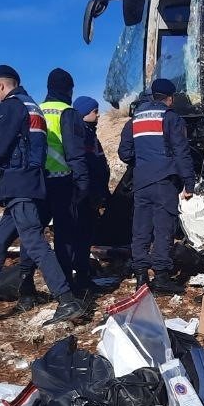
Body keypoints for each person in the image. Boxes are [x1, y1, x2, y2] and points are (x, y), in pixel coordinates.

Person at [0, 65, 84, 327]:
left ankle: (66, 300)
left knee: (34, 242)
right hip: (32, 182)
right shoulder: (32, 105)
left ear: (1, 85)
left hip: (19, 184)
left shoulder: (11, 106)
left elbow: (1, 144)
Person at [118, 78, 194, 295]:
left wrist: (142, 161)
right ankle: (161, 276)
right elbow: (181, 152)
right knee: (163, 229)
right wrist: (189, 183)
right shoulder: (170, 118)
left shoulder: (135, 120)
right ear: (169, 98)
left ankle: (141, 276)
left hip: (141, 181)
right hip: (164, 181)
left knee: (140, 229)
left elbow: (124, 152)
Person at [24, 68, 88, 297]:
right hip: (62, 182)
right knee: (64, 236)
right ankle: (65, 285)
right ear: (69, 90)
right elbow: (75, 153)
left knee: (33, 235)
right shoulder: (67, 113)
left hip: (37, 183)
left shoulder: (36, 110)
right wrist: (82, 184)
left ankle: (26, 286)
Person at [69, 95, 111, 294]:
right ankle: (80, 278)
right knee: (81, 236)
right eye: (95, 111)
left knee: (85, 237)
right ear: (85, 112)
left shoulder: (89, 133)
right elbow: (90, 167)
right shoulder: (82, 135)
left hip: (90, 194)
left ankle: (83, 274)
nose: (98, 114)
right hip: (84, 195)